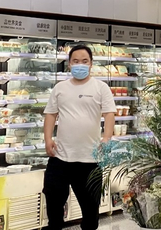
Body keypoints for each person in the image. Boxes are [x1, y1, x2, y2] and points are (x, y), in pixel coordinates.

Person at [43, 45, 116, 230]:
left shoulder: (101, 87)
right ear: (69, 64)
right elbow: (51, 114)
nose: (80, 65)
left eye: (84, 61)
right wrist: (48, 139)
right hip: (60, 157)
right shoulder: (60, 88)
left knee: (91, 213)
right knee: (53, 207)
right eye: (75, 61)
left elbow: (109, 114)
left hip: (90, 159)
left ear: (91, 64)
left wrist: (106, 139)